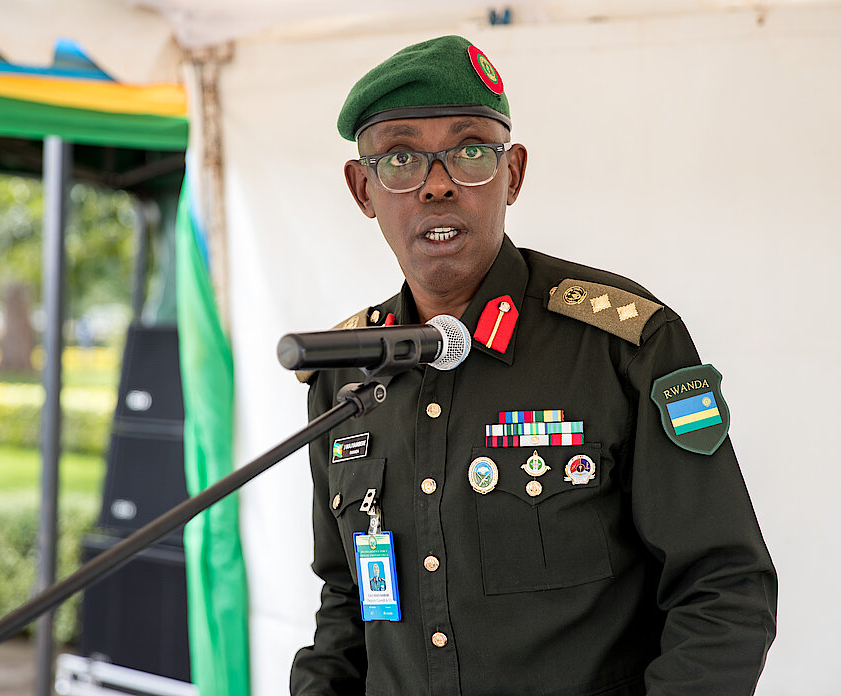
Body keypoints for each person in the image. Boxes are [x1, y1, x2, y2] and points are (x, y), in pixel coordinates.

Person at [291, 35, 777, 696]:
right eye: (400, 159)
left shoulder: (623, 344)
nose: (437, 184)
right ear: (362, 189)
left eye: (470, 153)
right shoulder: (345, 374)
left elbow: (723, 589)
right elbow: (345, 603)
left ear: (513, 174)